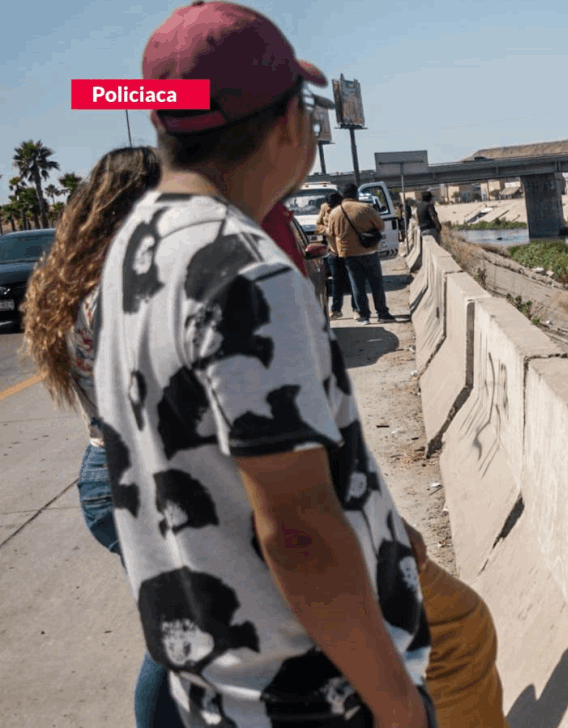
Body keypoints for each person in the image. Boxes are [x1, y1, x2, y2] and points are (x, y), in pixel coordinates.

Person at [95, 3, 433, 726]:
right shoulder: (247, 273)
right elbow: (298, 526)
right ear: (288, 125)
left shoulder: (133, 252)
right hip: (309, 696)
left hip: (218, 690)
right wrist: (395, 702)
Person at [23, 147, 183, 728]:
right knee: (180, 632)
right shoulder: (120, 289)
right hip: (139, 477)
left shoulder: (78, 282)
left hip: (116, 470)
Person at [329, 182, 396, 324]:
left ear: (342, 196)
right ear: (356, 194)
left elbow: (330, 233)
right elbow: (381, 225)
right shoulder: (366, 208)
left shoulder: (334, 212)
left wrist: (337, 248)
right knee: (376, 284)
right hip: (369, 251)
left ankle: (364, 316)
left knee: (357, 285)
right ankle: (382, 314)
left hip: (348, 254)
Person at [319, 191, 358, 319]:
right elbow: (319, 226)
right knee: (337, 283)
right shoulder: (325, 210)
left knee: (353, 281)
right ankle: (336, 310)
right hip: (334, 253)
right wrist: (328, 229)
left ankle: (356, 309)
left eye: (333, 207)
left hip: (348, 251)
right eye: (329, 206)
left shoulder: (346, 211)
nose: (331, 209)